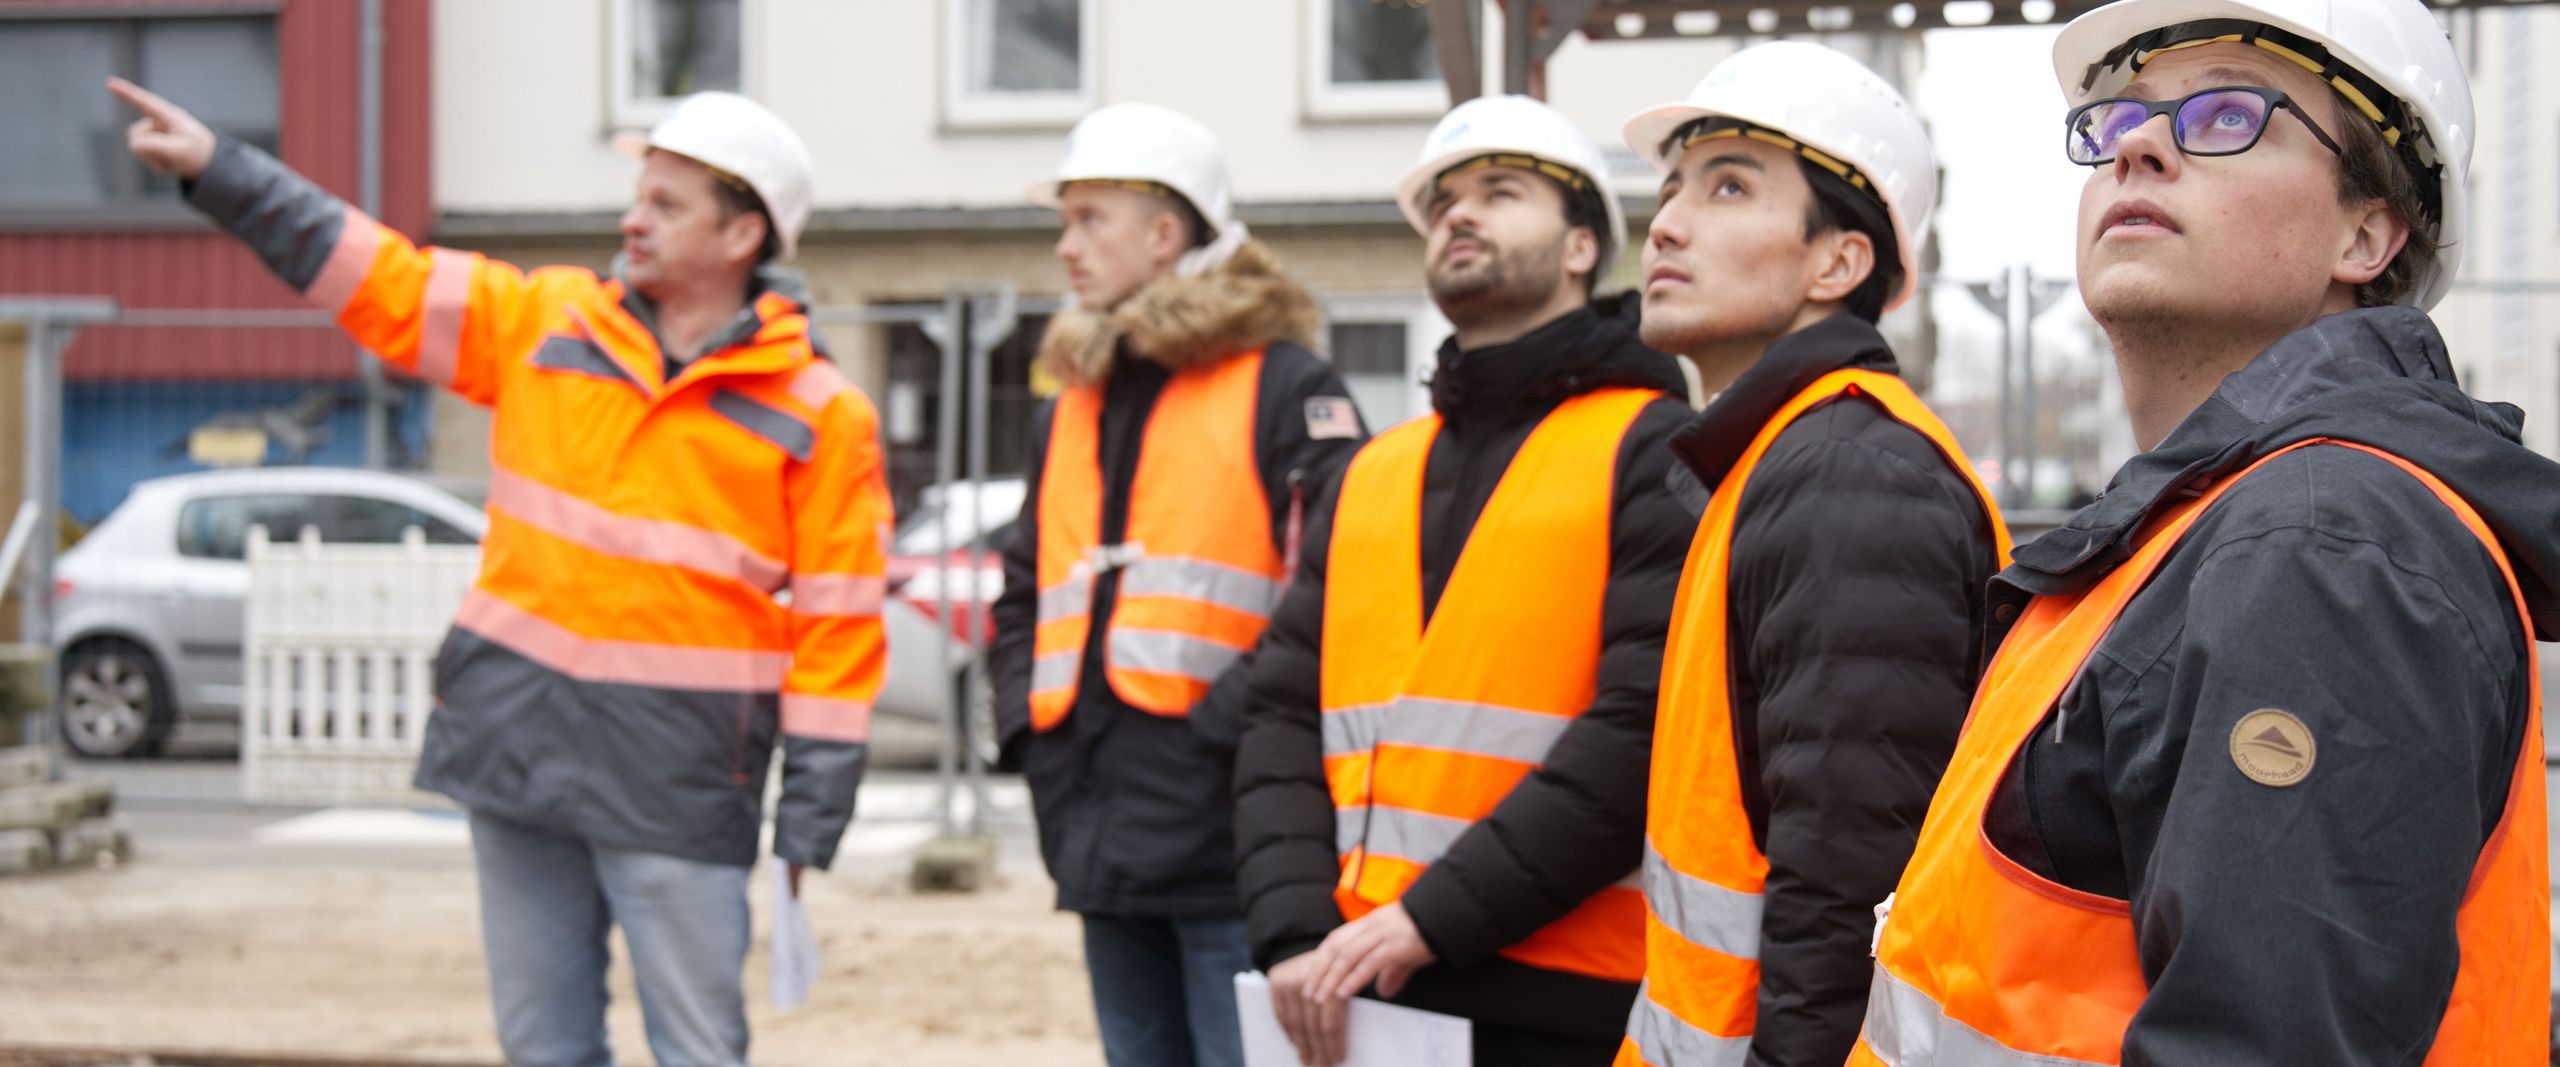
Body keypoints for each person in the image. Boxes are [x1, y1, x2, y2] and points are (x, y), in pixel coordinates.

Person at [112, 79, 890, 1067]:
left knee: (697, 1048)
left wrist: (812, 816)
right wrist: (225, 171)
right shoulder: (546, 324)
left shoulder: (823, 414)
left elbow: (839, 624)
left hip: (679, 779)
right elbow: (378, 276)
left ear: (743, 236)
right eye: (637, 194)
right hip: (521, 749)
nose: (631, 219)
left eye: (665, 203)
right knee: (541, 1047)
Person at [1851, 0, 2560, 1061]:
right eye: (2119, 121)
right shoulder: (2199, 530)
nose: (2134, 144)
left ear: (2366, 232)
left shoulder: (2323, 545)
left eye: (2225, 115)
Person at [1234, 94, 1694, 1067]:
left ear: (1581, 247)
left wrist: (1429, 919)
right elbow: (1278, 713)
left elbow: (1644, 726)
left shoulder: (1651, 445)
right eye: (1444, 199)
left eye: (1500, 189)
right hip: (1359, 982)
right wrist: (1287, 929)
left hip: (1563, 997)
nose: (1459, 213)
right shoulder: (1371, 469)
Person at [1607, 43, 2009, 1067]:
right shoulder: (1788, 457)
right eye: (1670, 189)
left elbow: (1840, 893)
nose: (1662, 223)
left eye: (1728, 186)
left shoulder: (1846, 474)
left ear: (1838, 260)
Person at [986, 102, 1365, 1067]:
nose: (1065, 246)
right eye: (1063, 221)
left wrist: (1223, 732)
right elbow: (1026, 579)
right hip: (1094, 811)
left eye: (1089, 219)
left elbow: (1342, 581)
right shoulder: (1072, 399)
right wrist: (1029, 727)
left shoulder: (1285, 383)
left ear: (1166, 232)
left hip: (1228, 825)